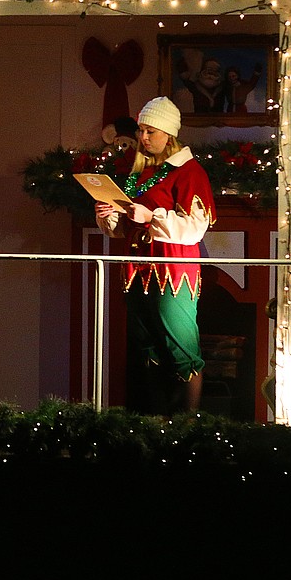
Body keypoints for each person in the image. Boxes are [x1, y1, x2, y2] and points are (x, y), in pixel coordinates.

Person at [94, 97, 215, 415]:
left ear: (169, 134)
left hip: (172, 271)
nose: (143, 138)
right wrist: (110, 214)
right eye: (142, 131)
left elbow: (194, 228)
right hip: (138, 269)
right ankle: (159, 423)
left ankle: (186, 429)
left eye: (151, 131)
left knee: (181, 348)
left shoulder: (189, 172)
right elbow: (125, 228)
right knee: (149, 346)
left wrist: (151, 216)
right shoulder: (141, 172)